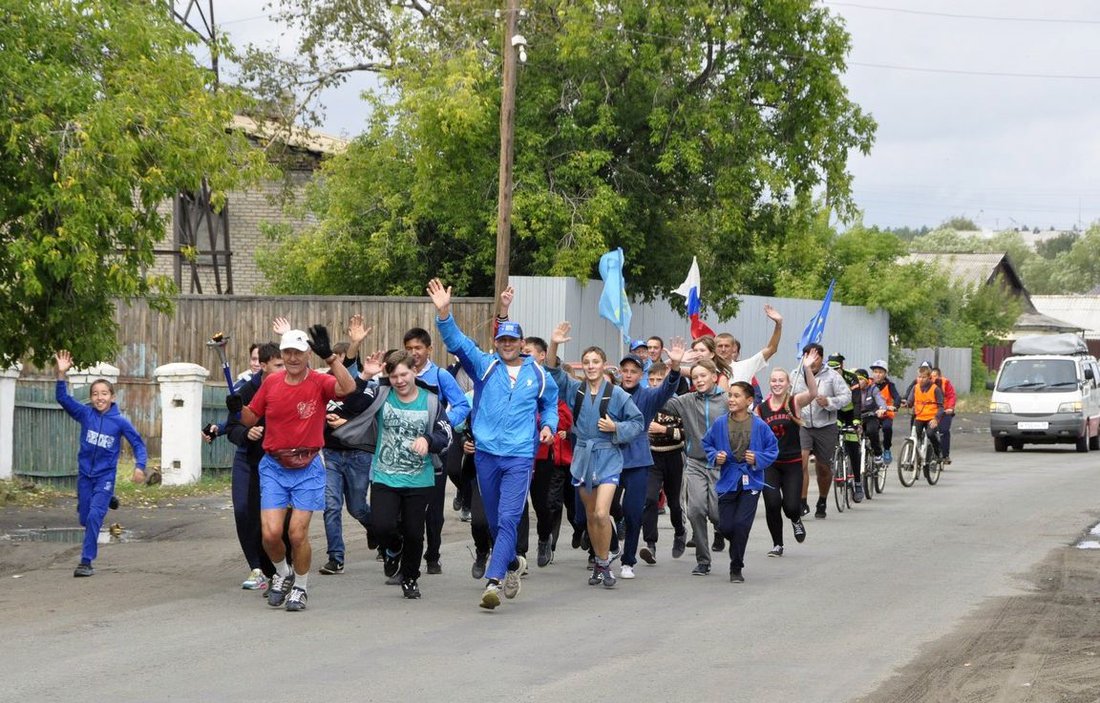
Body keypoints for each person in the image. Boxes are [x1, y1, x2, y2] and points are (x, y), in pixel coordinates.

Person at [427, 278, 558, 610]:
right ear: (496, 342)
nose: (507, 344)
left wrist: (549, 426)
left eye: (513, 339)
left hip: (518, 455)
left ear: (522, 342)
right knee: (497, 521)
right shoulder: (485, 367)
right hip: (486, 454)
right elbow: (457, 343)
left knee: (510, 517)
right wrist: (445, 314)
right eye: (502, 339)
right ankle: (513, 563)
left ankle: (494, 580)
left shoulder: (539, 375)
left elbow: (550, 405)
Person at [227, 325, 357, 612]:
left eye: (298, 352)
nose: (293, 357)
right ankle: (283, 574)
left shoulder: (319, 382)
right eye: (288, 352)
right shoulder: (271, 383)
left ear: (308, 354)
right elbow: (250, 419)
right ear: (282, 354)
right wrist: (237, 409)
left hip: (308, 465)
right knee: (271, 534)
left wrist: (332, 359)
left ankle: (300, 586)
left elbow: (348, 388)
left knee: (297, 534)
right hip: (274, 465)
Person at [333, 350, 452, 599]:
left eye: (404, 374)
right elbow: (352, 404)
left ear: (415, 372)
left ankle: (410, 578)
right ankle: (394, 549)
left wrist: (428, 440)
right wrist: (365, 375)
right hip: (385, 475)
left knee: (414, 532)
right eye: (394, 375)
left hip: (419, 479)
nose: (399, 380)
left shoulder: (431, 401)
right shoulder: (381, 395)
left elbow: (446, 435)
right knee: (382, 526)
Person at [545, 335, 645, 588]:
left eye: (595, 361)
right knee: (590, 516)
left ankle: (607, 561)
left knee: (602, 512)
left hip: (609, 455)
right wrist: (554, 344)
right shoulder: (574, 389)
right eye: (587, 362)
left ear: (603, 365)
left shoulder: (618, 393)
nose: (591, 366)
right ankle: (601, 562)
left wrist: (616, 427)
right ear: (582, 366)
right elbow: (552, 372)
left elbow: (637, 423)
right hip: (582, 455)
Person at [55, 351, 147, 578]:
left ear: (112, 397)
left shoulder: (119, 422)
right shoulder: (85, 414)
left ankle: (86, 562)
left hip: (105, 476)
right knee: (85, 518)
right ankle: (106, 499)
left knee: (95, 516)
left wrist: (140, 467)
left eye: (104, 393)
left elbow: (139, 444)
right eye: (95, 394)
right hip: (85, 475)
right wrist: (61, 374)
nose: (99, 398)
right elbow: (63, 399)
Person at [223, 342, 294, 591]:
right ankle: (258, 568)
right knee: (245, 512)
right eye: (278, 365)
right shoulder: (245, 391)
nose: (283, 369)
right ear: (262, 366)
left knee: (279, 522)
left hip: (281, 462)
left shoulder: (292, 387)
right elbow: (231, 427)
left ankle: (283, 568)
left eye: (285, 364)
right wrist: (246, 433)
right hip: (249, 460)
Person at [403, 325, 471, 575]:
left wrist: (443, 428)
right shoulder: (400, 375)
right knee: (406, 510)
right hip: (405, 453)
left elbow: (462, 405)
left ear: (429, 349)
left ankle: (433, 555)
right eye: (409, 348)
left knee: (432, 509)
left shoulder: (441, 376)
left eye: (418, 348)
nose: (414, 352)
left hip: (435, 454)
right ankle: (406, 562)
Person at [318, 317, 377, 577]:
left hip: (358, 455)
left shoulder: (365, 383)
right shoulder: (322, 383)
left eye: (340, 358)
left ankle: (379, 528)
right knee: (331, 505)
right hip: (331, 454)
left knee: (357, 508)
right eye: (332, 358)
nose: (335, 362)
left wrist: (354, 345)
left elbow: (357, 401)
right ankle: (336, 557)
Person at [702, 381, 779, 582]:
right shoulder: (720, 423)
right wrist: (714, 456)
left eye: (737, 396)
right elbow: (707, 443)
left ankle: (736, 566)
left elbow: (772, 449)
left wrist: (758, 459)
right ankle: (735, 546)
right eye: (730, 395)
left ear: (749, 401)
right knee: (726, 526)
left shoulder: (760, 426)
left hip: (751, 482)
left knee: (741, 525)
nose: (731, 399)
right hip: (727, 481)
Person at [661, 359, 729, 575]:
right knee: (695, 510)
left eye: (703, 376)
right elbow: (661, 400)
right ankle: (703, 560)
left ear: (714, 376)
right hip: (696, 462)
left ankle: (726, 533)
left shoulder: (727, 400)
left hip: (722, 464)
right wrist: (671, 370)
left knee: (718, 515)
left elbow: (745, 425)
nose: (698, 380)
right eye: (694, 377)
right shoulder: (686, 401)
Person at [756, 350, 819, 557]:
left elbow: (813, 393)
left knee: (791, 507)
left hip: (792, 463)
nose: (776, 384)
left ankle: (796, 520)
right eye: (773, 380)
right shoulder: (761, 409)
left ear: (787, 382)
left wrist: (808, 368)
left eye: (780, 380)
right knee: (772, 504)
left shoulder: (794, 402)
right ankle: (777, 544)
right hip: (770, 464)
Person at [526, 336, 574, 568]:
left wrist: (554, 344)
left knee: (542, 504)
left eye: (529, 351)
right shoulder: (513, 377)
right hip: (515, 453)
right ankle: (518, 553)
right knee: (516, 506)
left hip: (542, 455)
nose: (524, 354)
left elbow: (554, 373)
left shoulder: (546, 380)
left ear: (542, 355)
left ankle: (544, 538)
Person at [789, 343, 851, 520]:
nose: (812, 360)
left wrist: (830, 402)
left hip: (826, 426)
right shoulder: (796, 374)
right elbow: (788, 395)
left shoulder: (832, 376)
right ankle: (802, 501)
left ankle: (822, 500)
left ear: (822, 358)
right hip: (802, 425)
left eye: (815, 357)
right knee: (800, 462)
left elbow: (846, 396)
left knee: (823, 467)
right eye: (807, 356)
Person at [641, 361, 689, 562]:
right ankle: (650, 545)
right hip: (652, 457)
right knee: (650, 499)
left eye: (659, 380)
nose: (654, 384)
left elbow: (688, 433)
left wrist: (664, 430)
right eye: (651, 380)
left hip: (674, 456)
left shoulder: (678, 403)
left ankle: (680, 531)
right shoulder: (645, 401)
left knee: (675, 503)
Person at [828, 354, 865, 503]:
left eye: (836, 369)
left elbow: (857, 401)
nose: (833, 372)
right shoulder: (826, 377)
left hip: (851, 412)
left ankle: (857, 483)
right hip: (836, 412)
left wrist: (856, 420)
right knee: (832, 432)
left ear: (842, 366)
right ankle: (834, 460)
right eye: (830, 368)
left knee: (853, 446)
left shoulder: (851, 378)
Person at [905, 362, 945, 461]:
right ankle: (915, 457)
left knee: (931, 434)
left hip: (931, 417)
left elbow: (941, 407)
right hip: (919, 417)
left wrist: (936, 419)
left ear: (929, 377)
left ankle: (937, 451)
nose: (921, 379)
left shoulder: (935, 389)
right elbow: (910, 401)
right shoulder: (915, 388)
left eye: (923, 377)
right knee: (914, 436)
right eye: (919, 377)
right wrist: (906, 404)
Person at [869, 360, 900, 464]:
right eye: (875, 372)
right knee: (870, 430)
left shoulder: (890, 385)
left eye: (880, 372)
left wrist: (895, 406)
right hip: (873, 414)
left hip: (886, 414)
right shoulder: (869, 383)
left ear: (885, 373)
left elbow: (897, 397)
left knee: (887, 428)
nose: (877, 374)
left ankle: (886, 449)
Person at [854, 368, 887, 465]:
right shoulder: (853, 390)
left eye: (860, 379)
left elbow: (880, 399)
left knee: (872, 431)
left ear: (866, 380)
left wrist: (882, 408)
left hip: (871, 416)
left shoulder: (873, 389)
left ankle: (878, 454)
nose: (858, 382)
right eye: (856, 380)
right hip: (857, 417)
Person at [930, 367, 957, 464]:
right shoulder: (925, 384)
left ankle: (945, 455)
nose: (933, 378)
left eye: (935, 376)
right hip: (931, 412)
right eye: (931, 376)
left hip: (945, 411)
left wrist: (950, 408)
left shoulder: (945, 383)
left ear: (939, 376)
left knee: (944, 431)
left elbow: (951, 396)